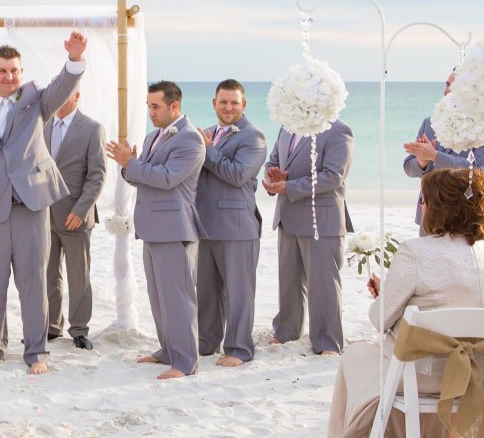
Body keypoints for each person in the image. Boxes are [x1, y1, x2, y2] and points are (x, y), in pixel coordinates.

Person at [318, 168, 484, 438]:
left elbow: (379, 320)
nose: (421, 205)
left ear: (437, 206)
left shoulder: (415, 251)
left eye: (423, 198)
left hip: (422, 378)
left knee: (357, 355)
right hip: (478, 379)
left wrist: (384, 298)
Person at [0, 33, 87, 375]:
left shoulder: (36, 101)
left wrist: (74, 59)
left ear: (21, 72)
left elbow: (63, 85)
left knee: (33, 283)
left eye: (14, 70)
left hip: (31, 207)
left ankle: (36, 351)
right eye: (2, 70)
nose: (9, 76)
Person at [107, 80, 205, 379]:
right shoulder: (153, 137)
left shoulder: (190, 139)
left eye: (155, 106)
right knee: (159, 296)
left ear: (174, 106)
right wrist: (129, 166)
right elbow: (142, 177)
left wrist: (131, 164)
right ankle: (167, 349)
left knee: (178, 297)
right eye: (148, 106)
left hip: (175, 228)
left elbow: (167, 178)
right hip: (152, 227)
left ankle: (186, 361)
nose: (150, 112)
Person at [263, 119, 354, 355]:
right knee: (289, 280)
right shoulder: (285, 127)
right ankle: (286, 330)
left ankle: (328, 341)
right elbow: (273, 160)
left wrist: (289, 186)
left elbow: (334, 176)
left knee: (323, 283)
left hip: (321, 220)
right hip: (287, 214)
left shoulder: (337, 130)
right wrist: (273, 175)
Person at [193, 79, 267, 367]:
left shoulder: (254, 137)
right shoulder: (207, 133)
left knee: (239, 292)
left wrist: (209, 152)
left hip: (237, 226)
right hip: (205, 223)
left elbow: (237, 175)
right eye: (223, 102)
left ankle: (239, 349)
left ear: (244, 105)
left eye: (234, 102)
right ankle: (206, 343)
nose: (228, 107)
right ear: (214, 103)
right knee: (207, 291)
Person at [43, 91, 105, 350]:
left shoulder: (92, 128)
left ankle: (79, 329)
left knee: (79, 274)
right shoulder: (42, 126)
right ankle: (51, 326)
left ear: (78, 96)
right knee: (48, 274)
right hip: (44, 214)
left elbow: (97, 175)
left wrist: (80, 211)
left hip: (76, 216)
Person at [403, 70, 484, 236]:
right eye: (446, 84)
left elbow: (478, 169)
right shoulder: (429, 123)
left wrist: (435, 156)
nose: (447, 90)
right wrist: (422, 163)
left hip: (467, 216)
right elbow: (408, 166)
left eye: (453, 85)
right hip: (429, 214)